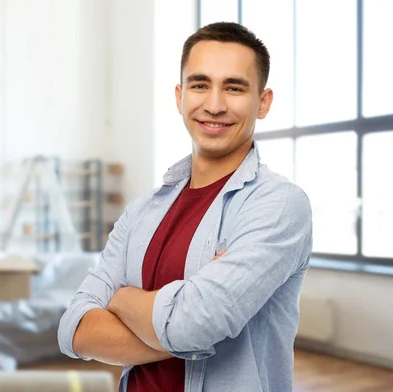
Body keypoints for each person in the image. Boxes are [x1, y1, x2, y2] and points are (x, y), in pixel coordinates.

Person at [57, 21, 312, 392]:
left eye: (234, 87)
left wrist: (121, 298)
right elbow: (74, 329)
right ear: (180, 96)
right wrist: (183, 320)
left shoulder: (279, 205)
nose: (214, 104)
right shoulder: (143, 210)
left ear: (263, 102)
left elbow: (193, 327)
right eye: (200, 84)